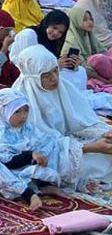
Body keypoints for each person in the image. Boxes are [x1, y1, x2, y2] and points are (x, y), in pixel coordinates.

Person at [10, 44, 112, 187]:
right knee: (92, 161)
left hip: (69, 143)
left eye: (56, 71)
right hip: (46, 157)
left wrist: (105, 134)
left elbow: (83, 120)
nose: (54, 78)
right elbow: (39, 147)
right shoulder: (20, 104)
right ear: (34, 77)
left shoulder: (63, 87)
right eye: (46, 75)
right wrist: (91, 147)